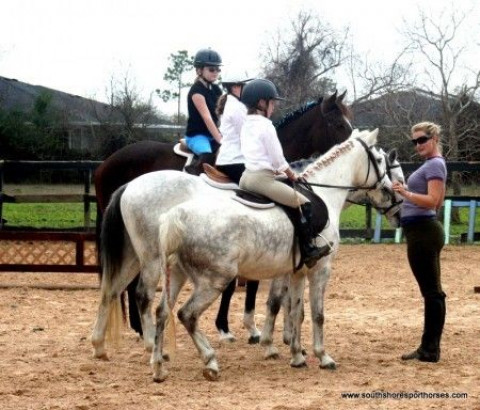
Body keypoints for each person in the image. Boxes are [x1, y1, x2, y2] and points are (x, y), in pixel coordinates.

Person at [239, 78, 331, 268]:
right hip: (261, 179)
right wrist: (292, 175)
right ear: (261, 103)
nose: (273, 107)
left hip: (246, 177)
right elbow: (278, 160)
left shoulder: (246, 123)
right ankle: (308, 250)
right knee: (304, 202)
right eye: (272, 102)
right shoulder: (266, 125)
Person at [392, 121, 447, 363]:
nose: (418, 145)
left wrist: (406, 194)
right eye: (414, 142)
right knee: (431, 291)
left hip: (423, 232)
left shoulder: (435, 164)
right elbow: (438, 201)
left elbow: (434, 201)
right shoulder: (434, 165)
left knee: (432, 292)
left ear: (434, 138)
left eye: (422, 140)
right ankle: (429, 347)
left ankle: (430, 349)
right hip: (422, 231)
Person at [184, 48, 223, 175]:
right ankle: (192, 176)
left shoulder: (216, 89)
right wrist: (221, 140)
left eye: (218, 69)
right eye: (211, 69)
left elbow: (223, 114)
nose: (215, 72)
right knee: (208, 157)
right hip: (197, 136)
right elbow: (207, 119)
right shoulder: (196, 91)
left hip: (213, 135)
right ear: (199, 70)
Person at [214, 70, 252, 183]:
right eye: (244, 85)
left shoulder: (230, 104)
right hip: (235, 161)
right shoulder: (237, 107)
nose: (247, 89)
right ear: (235, 87)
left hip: (228, 159)